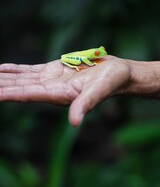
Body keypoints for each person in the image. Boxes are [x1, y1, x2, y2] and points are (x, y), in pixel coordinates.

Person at [0, 55, 159, 126]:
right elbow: (84, 60)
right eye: (98, 54)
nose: (101, 55)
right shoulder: (91, 58)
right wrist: (132, 70)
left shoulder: (98, 57)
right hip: (74, 60)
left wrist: (131, 71)